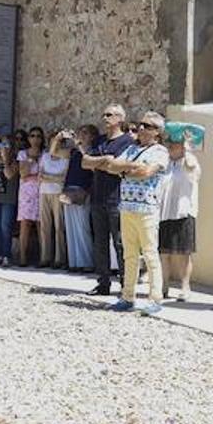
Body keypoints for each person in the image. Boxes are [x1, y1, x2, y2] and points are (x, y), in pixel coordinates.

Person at [86, 112, 170, 315]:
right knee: (129, 255)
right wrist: (131, 167)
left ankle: (155, 298)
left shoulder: (160, 151)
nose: (141, 128)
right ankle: (127, 296)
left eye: (147, 126)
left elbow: (147, 172)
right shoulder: (132, 149)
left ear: (157, 132)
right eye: (141, 124)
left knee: (150, 254)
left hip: (147, 209)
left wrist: (125, 169)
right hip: (127, 207)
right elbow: (112, 166)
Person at [82, 104, 135, 295]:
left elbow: (119, 167)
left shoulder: (127, 142)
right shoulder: (99, 140)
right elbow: (85, 162)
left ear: (120, 118)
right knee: (100, 243)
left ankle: (126, 284)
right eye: (104, 114)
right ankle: (103, 283)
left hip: (117, 198)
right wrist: (105, 160)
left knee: (120, 243)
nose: (105, 118)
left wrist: (104, 163)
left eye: (109, 115)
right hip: (97, 197)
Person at [158, 125, 201, 302]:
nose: (170, 147)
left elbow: (191, 168)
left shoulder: (190, 162)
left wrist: (188, 147)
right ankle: (164, 286)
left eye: (174, 145)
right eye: (169, 144)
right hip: (164, 213)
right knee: (164, 252)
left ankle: (185, 287)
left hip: (184, 212)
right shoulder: (165, 163)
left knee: (184, 253)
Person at [60, 125, 97, 273]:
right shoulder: (74, 152)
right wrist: (58, 138)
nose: (81, 135)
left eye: (85, 132)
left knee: (83, 228)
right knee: (71, 228)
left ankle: (87, 261)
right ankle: (75, 262)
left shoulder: (93, 151)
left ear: (92, 136)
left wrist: (80, 146)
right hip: (70, 189)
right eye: (80, 132)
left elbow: (91, 164)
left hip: (83, 190)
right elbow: (54, 152)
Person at [36, 132, 71, 268]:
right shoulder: (45, 157)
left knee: (59, 226)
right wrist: (55, 178)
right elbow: (39, 176)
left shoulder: (65, 158)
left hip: (58, 193)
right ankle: (45, 257)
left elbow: (64, 178)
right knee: (44, 226)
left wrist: (48, 177)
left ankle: (59, 258)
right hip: (44, 192)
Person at [0, 137, 20, 268]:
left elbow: (9, 175)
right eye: (2, 144)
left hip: (8, 199)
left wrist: (6, 160)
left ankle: (7, 255)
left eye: (7, 144)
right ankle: (0, 254)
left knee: (6, 227)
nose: (4, 147)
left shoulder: (15, 161)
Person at [16, 127, 46, 267]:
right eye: (32, 135)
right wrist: (31, 160)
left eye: (38, 136)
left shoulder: (45, 154)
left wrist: (32, 174)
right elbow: (22, 173)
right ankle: (22, 256)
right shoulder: (23, 154)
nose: (35, 139)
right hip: (26, 192)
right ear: (28, 138)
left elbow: (45, 174)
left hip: (41, 191)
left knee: (41, 225)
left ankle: (43, 257)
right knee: (25, 224)